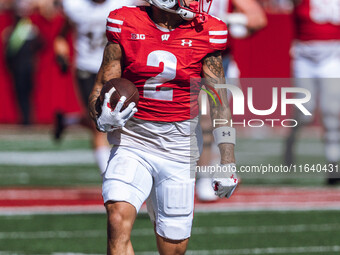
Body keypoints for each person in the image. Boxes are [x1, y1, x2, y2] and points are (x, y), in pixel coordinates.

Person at [88, 0, 238, 253]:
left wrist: (227, 159)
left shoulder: (207, 31)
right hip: (132, 140)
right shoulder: (125, 23)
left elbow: (219, 101)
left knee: (173, 249)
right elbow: (102, 85)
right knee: (117, 218)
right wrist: (100, 117)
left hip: (179, 147)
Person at [53, 0, 141, 174]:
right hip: (87, 69)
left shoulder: (122, 4)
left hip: (114, 67)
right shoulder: (75, 7)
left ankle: (67, 121)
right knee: (98, 122)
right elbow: (61, 36)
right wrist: (61, 54)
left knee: (123, 117)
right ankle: (109, 174)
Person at [196, 0, 267, 202]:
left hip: (218, 60)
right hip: (186, 56)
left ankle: (206, 176)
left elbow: (258, 18)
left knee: (209, 120)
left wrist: (230, 20)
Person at [284, 0, 340, 185]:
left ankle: (333, 163)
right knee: (304, 112)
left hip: (333, 56)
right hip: (305, 57)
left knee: (331, 111)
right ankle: (290, 141)